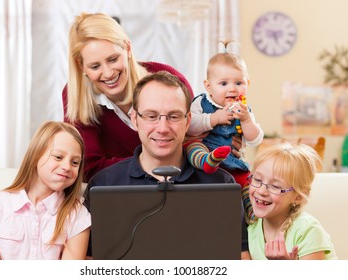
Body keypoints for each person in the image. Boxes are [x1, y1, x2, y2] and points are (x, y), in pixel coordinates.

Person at [84, 71, 250, 259]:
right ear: (134, 119)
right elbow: (87, 261)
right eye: (151, 116)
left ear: (188, 121)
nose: (162, 128)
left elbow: (240, 260)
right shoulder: (103, 185)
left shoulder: (222, 186)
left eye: (173, 116)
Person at [62, 12, 194, 183]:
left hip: (179, 183)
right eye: (95, 66)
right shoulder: (76, 96)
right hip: (117, 192)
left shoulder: (169, 80)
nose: (108, 73)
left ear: (128, 48)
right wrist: (145, 167)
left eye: (113, 59)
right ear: (81, 66)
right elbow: (86, 167)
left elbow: (197, 141)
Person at [0, 121, 91, 260]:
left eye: (75, 162)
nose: (67, 166)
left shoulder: (77, 214)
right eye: (58, 157)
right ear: (36, 155)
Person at [185, 41, 264, 223]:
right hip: (204, 151)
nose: (232, 88)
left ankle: (252, 210)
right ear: (208, 86)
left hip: (230, 158)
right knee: (192, 146)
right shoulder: (201, 103)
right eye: (223, 83)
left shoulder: (244, 110)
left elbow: (255, 139)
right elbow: (190, 125)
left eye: (239, 82)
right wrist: (214, 119)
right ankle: (208, 161)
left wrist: (246, 120)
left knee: (247, 180)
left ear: (248, 83)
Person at [247, 142, 337, 260]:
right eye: (257, 179)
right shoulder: (251, 228)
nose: (262, 191)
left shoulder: (308, 230)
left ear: (298, 197)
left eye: (275, 186)